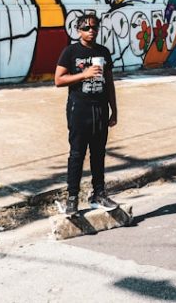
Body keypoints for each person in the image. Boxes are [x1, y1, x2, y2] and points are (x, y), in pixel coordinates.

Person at [55, 12, 119, 215]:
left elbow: (109, 82)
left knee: (98, 153)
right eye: (86, 28)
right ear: (78, 30)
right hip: (79, 109)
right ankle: (72, 198)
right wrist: (84, 74)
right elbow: (58, 79)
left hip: (99, 109)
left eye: (94, 27)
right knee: (77, 154)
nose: (91, 31)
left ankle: (98, 194)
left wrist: (114, 109)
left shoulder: (104, 52)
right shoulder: (70, 51)